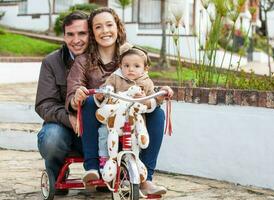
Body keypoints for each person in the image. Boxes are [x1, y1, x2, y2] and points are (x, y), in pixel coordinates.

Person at [66, 7, 173, 195]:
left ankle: (145, 179)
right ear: (92, 32)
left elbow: (145, 83)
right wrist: (78, 95)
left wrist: (158, 93)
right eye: (98, 27)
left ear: (118, 27)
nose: (105, 30)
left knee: (157, 113)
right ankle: (92, 167)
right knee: (90, 102)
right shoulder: (83, 60)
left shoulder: (130, 56)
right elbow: (74, 90)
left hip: (129, 119)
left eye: (109, 25)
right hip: (103, 120)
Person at [95, 42, 172, 175]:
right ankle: (104, 158)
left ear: (145, 68)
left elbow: (151, 100)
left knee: (137, 140)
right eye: (126, 66)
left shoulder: (146, 82)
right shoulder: (115, 77)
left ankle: (137, 165)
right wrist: (103, 94)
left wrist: (148, 98)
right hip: (114, 120)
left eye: (136, 66)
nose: (131, 69)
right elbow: (106, 91)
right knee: (103, 132)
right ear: (120, 66)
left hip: (134, 121)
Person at [35, 11, 89, 194]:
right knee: (51, 138)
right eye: (70, 34)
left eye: (82, 33)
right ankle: (57, 172)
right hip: (64, 126)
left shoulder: (103, 59)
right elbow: (45, 104)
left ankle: (107, 173)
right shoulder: (51, 62)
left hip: (97, 128)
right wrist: (70, 118)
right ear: (64, 36)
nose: (76, 40)